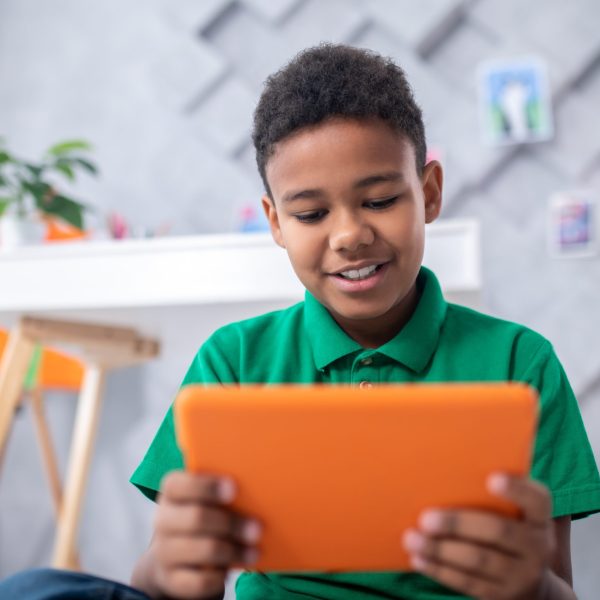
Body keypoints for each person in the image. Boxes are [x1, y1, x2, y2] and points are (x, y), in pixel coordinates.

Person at [2, 43, 599, 600]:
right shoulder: (235, 359)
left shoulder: (521, 361)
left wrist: (531, 585)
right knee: (32, 589)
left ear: (430, 192)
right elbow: (160, 574)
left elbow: (557, 584)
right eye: (311, 213)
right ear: (276, 223)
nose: (349, 235)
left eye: (381, 200)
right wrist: (176, 568)